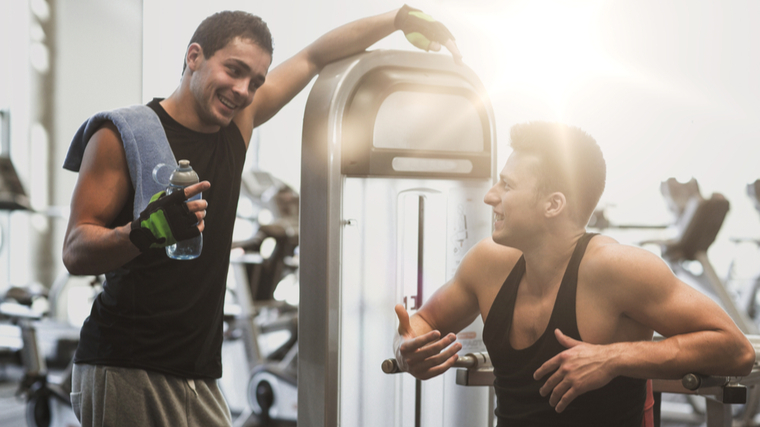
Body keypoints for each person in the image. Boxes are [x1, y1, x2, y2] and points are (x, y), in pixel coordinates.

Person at [62, 6, 460, 427]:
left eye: (255, 81)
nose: (242, 90)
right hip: (126, 365)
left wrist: (398, 18)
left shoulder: (238, 124)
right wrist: (146, 230)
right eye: (233, 70)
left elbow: (314, 57)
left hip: (199, 372)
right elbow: (75, 250)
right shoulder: (122, 135)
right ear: (194, 57)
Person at [394, 121, 755, 426]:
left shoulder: (617, 269)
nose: (490, 196)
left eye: (507, 185)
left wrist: (613, 358)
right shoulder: (487, 263)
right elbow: (423, 322)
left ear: (553, 204)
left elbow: (736, 349)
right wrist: (407, 348)